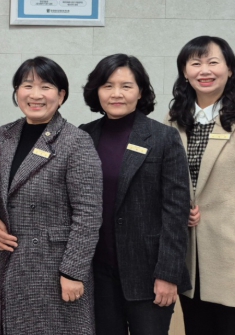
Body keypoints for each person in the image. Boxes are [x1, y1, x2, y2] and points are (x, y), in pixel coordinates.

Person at [0, 57, 102, 335]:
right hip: (6, 260)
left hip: (54, 269)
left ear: (61, 96)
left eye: (45, 87)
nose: (35, 95)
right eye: (27, 86)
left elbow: (88, 214)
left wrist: (73, 272)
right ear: (17, 92)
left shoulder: (76, 141)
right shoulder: (3, 136)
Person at [167, 36, 235, 335]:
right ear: (185, 72)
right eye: (195, 63)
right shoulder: (174, 122)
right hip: (190, 256)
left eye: (213, 62)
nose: (205, 70)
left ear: (229, 69)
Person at [79, 54, 190, 335]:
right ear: (97, 91)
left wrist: (168, 274)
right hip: (97, 273)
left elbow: (176, 212)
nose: (116, 94)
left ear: (140, 92)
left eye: (126, 86)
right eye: (108, 85)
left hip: (149, 273)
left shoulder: (163, 137)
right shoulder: (83, 136)